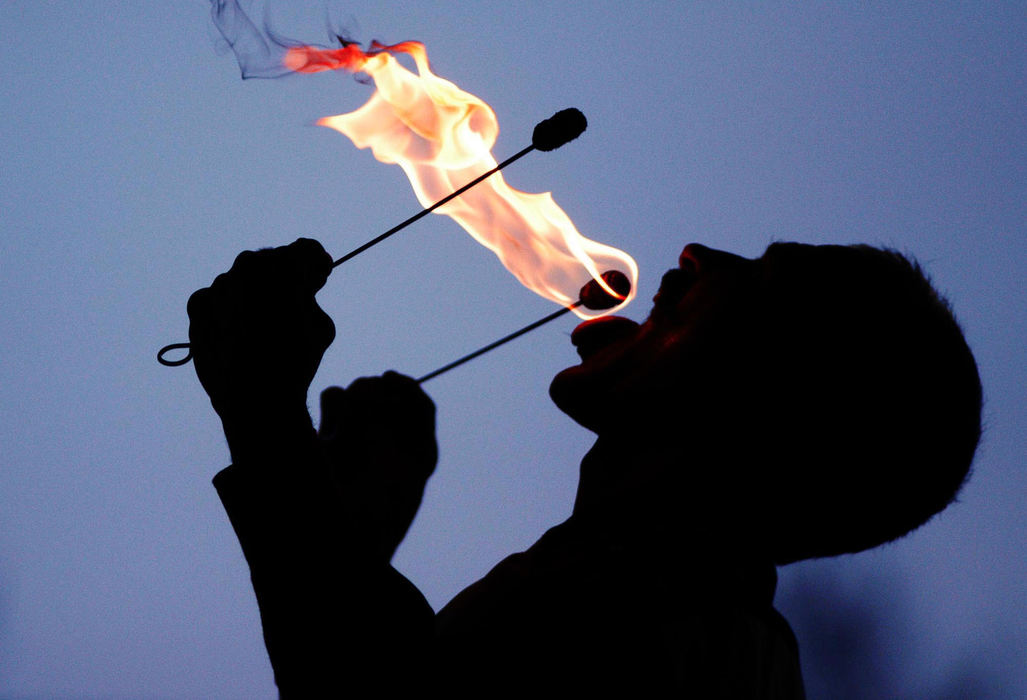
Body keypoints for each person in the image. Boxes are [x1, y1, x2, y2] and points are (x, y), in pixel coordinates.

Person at [187, 238, 982, 697]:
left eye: (759, 281)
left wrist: (264, 414)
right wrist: (350, 531)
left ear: (783, 401)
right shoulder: (668, 605)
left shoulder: (676, 634)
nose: (697, 255)